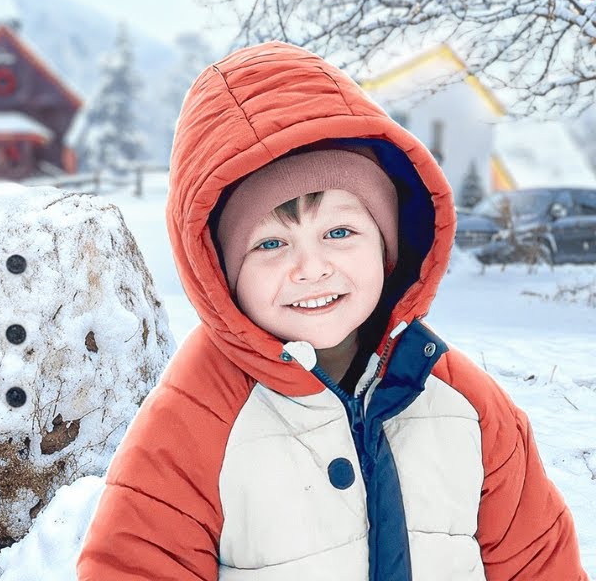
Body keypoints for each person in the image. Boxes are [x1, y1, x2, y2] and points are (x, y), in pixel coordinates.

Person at [77, 42, 585, 579]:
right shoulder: (192, 423)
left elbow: (539, 561)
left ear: (388, 250)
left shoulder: (468, 407)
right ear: (221, 274)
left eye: (339, 232)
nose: (311, 267)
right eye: (271, 244)